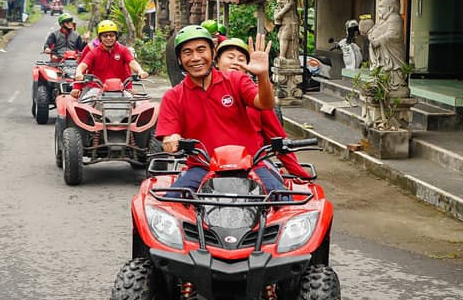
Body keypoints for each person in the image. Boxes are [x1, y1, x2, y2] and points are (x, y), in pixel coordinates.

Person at [156, 25, 284, 193]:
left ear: (213, 52)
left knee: (283, 202)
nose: (195, 58)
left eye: (201, 50)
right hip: (202, 168)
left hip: (250, 166)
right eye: (187, 52)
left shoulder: (236, 80)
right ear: (179, 59)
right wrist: (172, 140)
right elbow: (169, 136)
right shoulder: (173, 96)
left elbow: (265, 103)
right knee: (170, 204)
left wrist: (262, 75)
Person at [215, 38, 311, 179]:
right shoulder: (203, 91)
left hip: (254, 162)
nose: (236, 62)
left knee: (280, 194)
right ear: (217, 62)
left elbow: (277, 138)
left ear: (248, 65)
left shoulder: (259, 97)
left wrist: (300, 175)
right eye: (230, 57)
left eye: (241, 59)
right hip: (213, 163)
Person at [72, 20, 148, 98]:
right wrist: (78, 73)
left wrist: (140, 71)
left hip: (120, 89)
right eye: (105, 36)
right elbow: (82, 65)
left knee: (134, 104)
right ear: (100, 38)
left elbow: (132, 63)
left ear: (116, 36)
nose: (108, 38)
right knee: (85, 105)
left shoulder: (123, 50)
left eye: (111, 35)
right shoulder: (94, 52)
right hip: (97, 89)